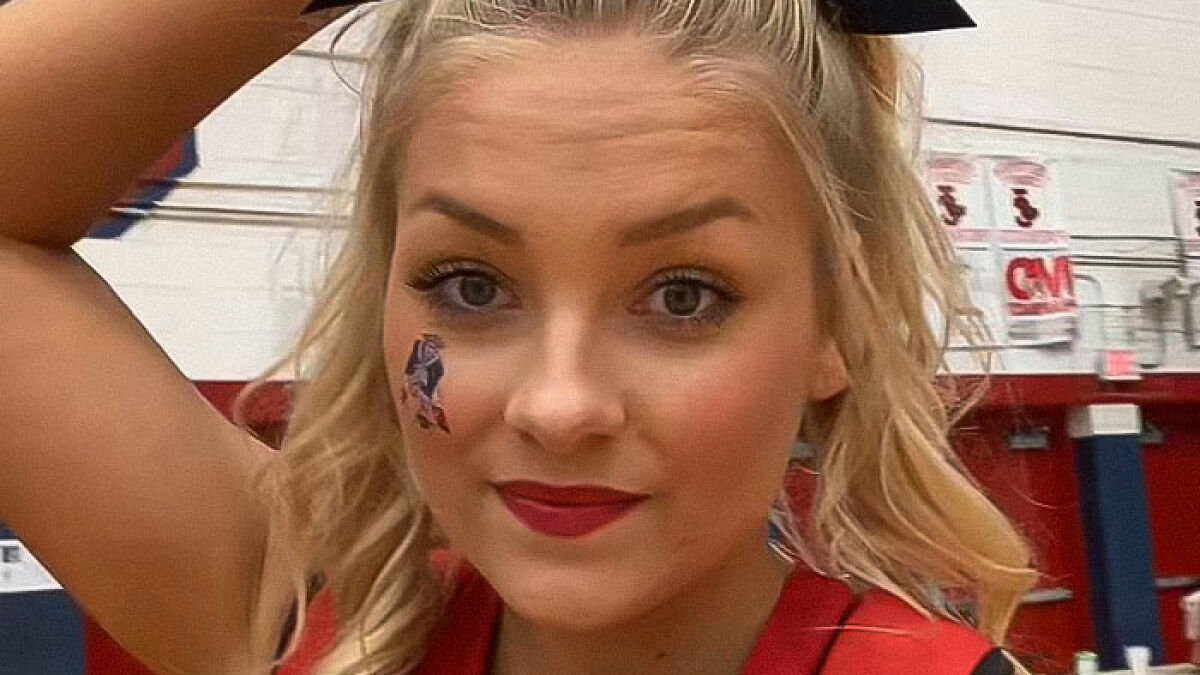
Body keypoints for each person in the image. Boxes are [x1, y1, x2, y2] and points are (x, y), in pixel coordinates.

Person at [0, 0, 1039, 673]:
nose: (558, 404)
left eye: (684, 296)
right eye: (471, 283)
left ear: (837, 322)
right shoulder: (317, 626)